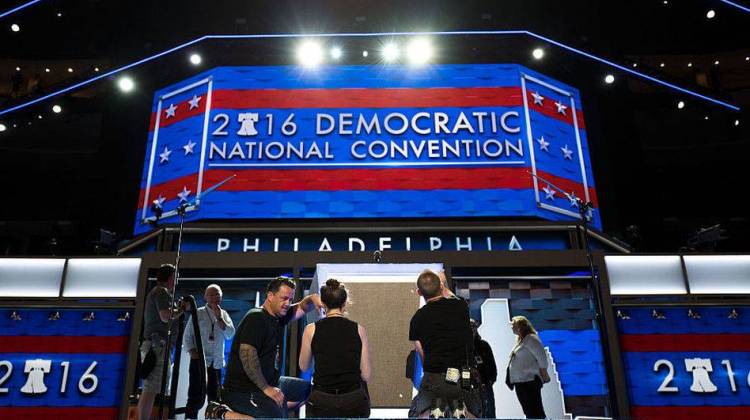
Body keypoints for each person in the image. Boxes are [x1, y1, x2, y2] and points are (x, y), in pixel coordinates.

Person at [222, 277, 322, 418]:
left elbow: (302, 307)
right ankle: (223, 413)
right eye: (284, 298)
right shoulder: (256, 318)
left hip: (272, 383)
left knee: (311, 391)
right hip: (244, 391)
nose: (287, 303)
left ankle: (277, 405)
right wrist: (266, 388)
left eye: (290, 299)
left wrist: (313, 298)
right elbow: (248, 358)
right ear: (270, 296)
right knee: (276, 415)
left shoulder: (279, 316)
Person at [408, 270, 481, 418]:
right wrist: (441, 283)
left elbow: (421, 351)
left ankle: (434, 410)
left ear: (418, 292)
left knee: (420, 413)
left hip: (435, 376)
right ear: (441, 287)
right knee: (471, 412)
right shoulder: (459, 306)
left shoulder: (418, 318)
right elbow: (449, 295)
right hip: (462, 375)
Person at [299, 279, 372, 417]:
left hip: (322, 400)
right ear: (344, 304)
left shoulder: (311, 330)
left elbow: (304, 366)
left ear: (323, 304)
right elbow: (366, 375)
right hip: (353, 400)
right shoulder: (359, 330)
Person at [137, 264, 187, 420]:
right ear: (171, 277)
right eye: (175, 277)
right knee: (151, 387)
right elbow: (165, 316)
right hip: (157, 345)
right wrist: (182, 310)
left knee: (153, 386)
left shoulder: (158, 293)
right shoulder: (161, 292)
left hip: (156, 344)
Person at [183, 284, 236, 418]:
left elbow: (230, 334)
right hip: (199, 361)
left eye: (217, 294)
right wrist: (192, 352)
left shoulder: (224, 314)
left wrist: (219, 318)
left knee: (215, 398)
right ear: (206, 297)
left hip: (216, 363)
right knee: (195, 395)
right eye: (211, 294)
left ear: (221, 297)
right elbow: (187, 336)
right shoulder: (198, 312)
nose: (214, 297)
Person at [506, 316, 550, 419]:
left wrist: (543, 372)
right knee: (528, 411)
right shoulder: (521, 341)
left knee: (535, 411)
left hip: (529, 381)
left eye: (513, 325)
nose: (511, 327)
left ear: (520, 326)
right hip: (520, 382)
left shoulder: (531, 339)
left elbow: (542, 357)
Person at [470, 319, 497, 418]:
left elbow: (492, 365)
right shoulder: (460, 347)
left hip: (484, 385)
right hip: (466, 387)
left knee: (488, 412)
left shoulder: (484, 345)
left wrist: (490, 380)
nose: (471, 329)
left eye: (473, 327)